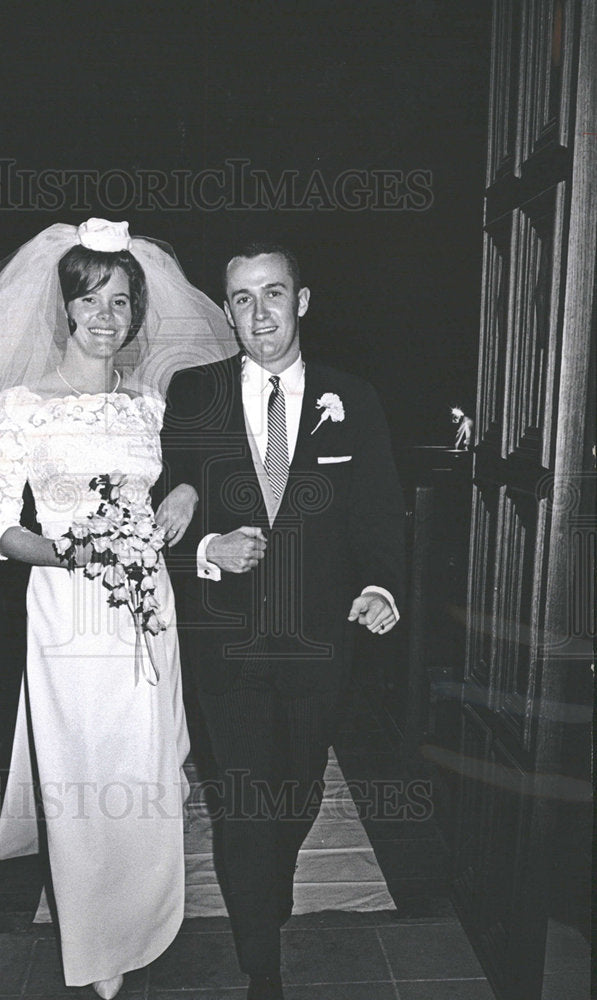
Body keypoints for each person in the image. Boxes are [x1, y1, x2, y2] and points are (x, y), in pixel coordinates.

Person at [0, 219, 237, 998]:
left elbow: (176, 481)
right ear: (64, 309)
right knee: (84, 770)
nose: (106, 317)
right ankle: (95, 938)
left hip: (147, 604)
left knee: (143, 762)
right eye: (91, 300)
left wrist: (181, 489)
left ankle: (145, 918)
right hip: (68, 610)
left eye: (121, 302)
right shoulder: (21, 407)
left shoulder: (147, 404)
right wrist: (68, 553)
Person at [158, 242, 405, 1000]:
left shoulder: (350, 396)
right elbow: (166, 495)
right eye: (240, 298)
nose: (257, 313)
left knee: (293, 795)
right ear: (225, 308)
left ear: (301, 301)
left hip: (318, 642)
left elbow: (377, 509)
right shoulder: (192, 392)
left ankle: (271, 885)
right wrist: (205, 546)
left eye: (272, 294)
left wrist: (380, 585)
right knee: (240, 803)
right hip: (224, 645)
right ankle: (259, 954)